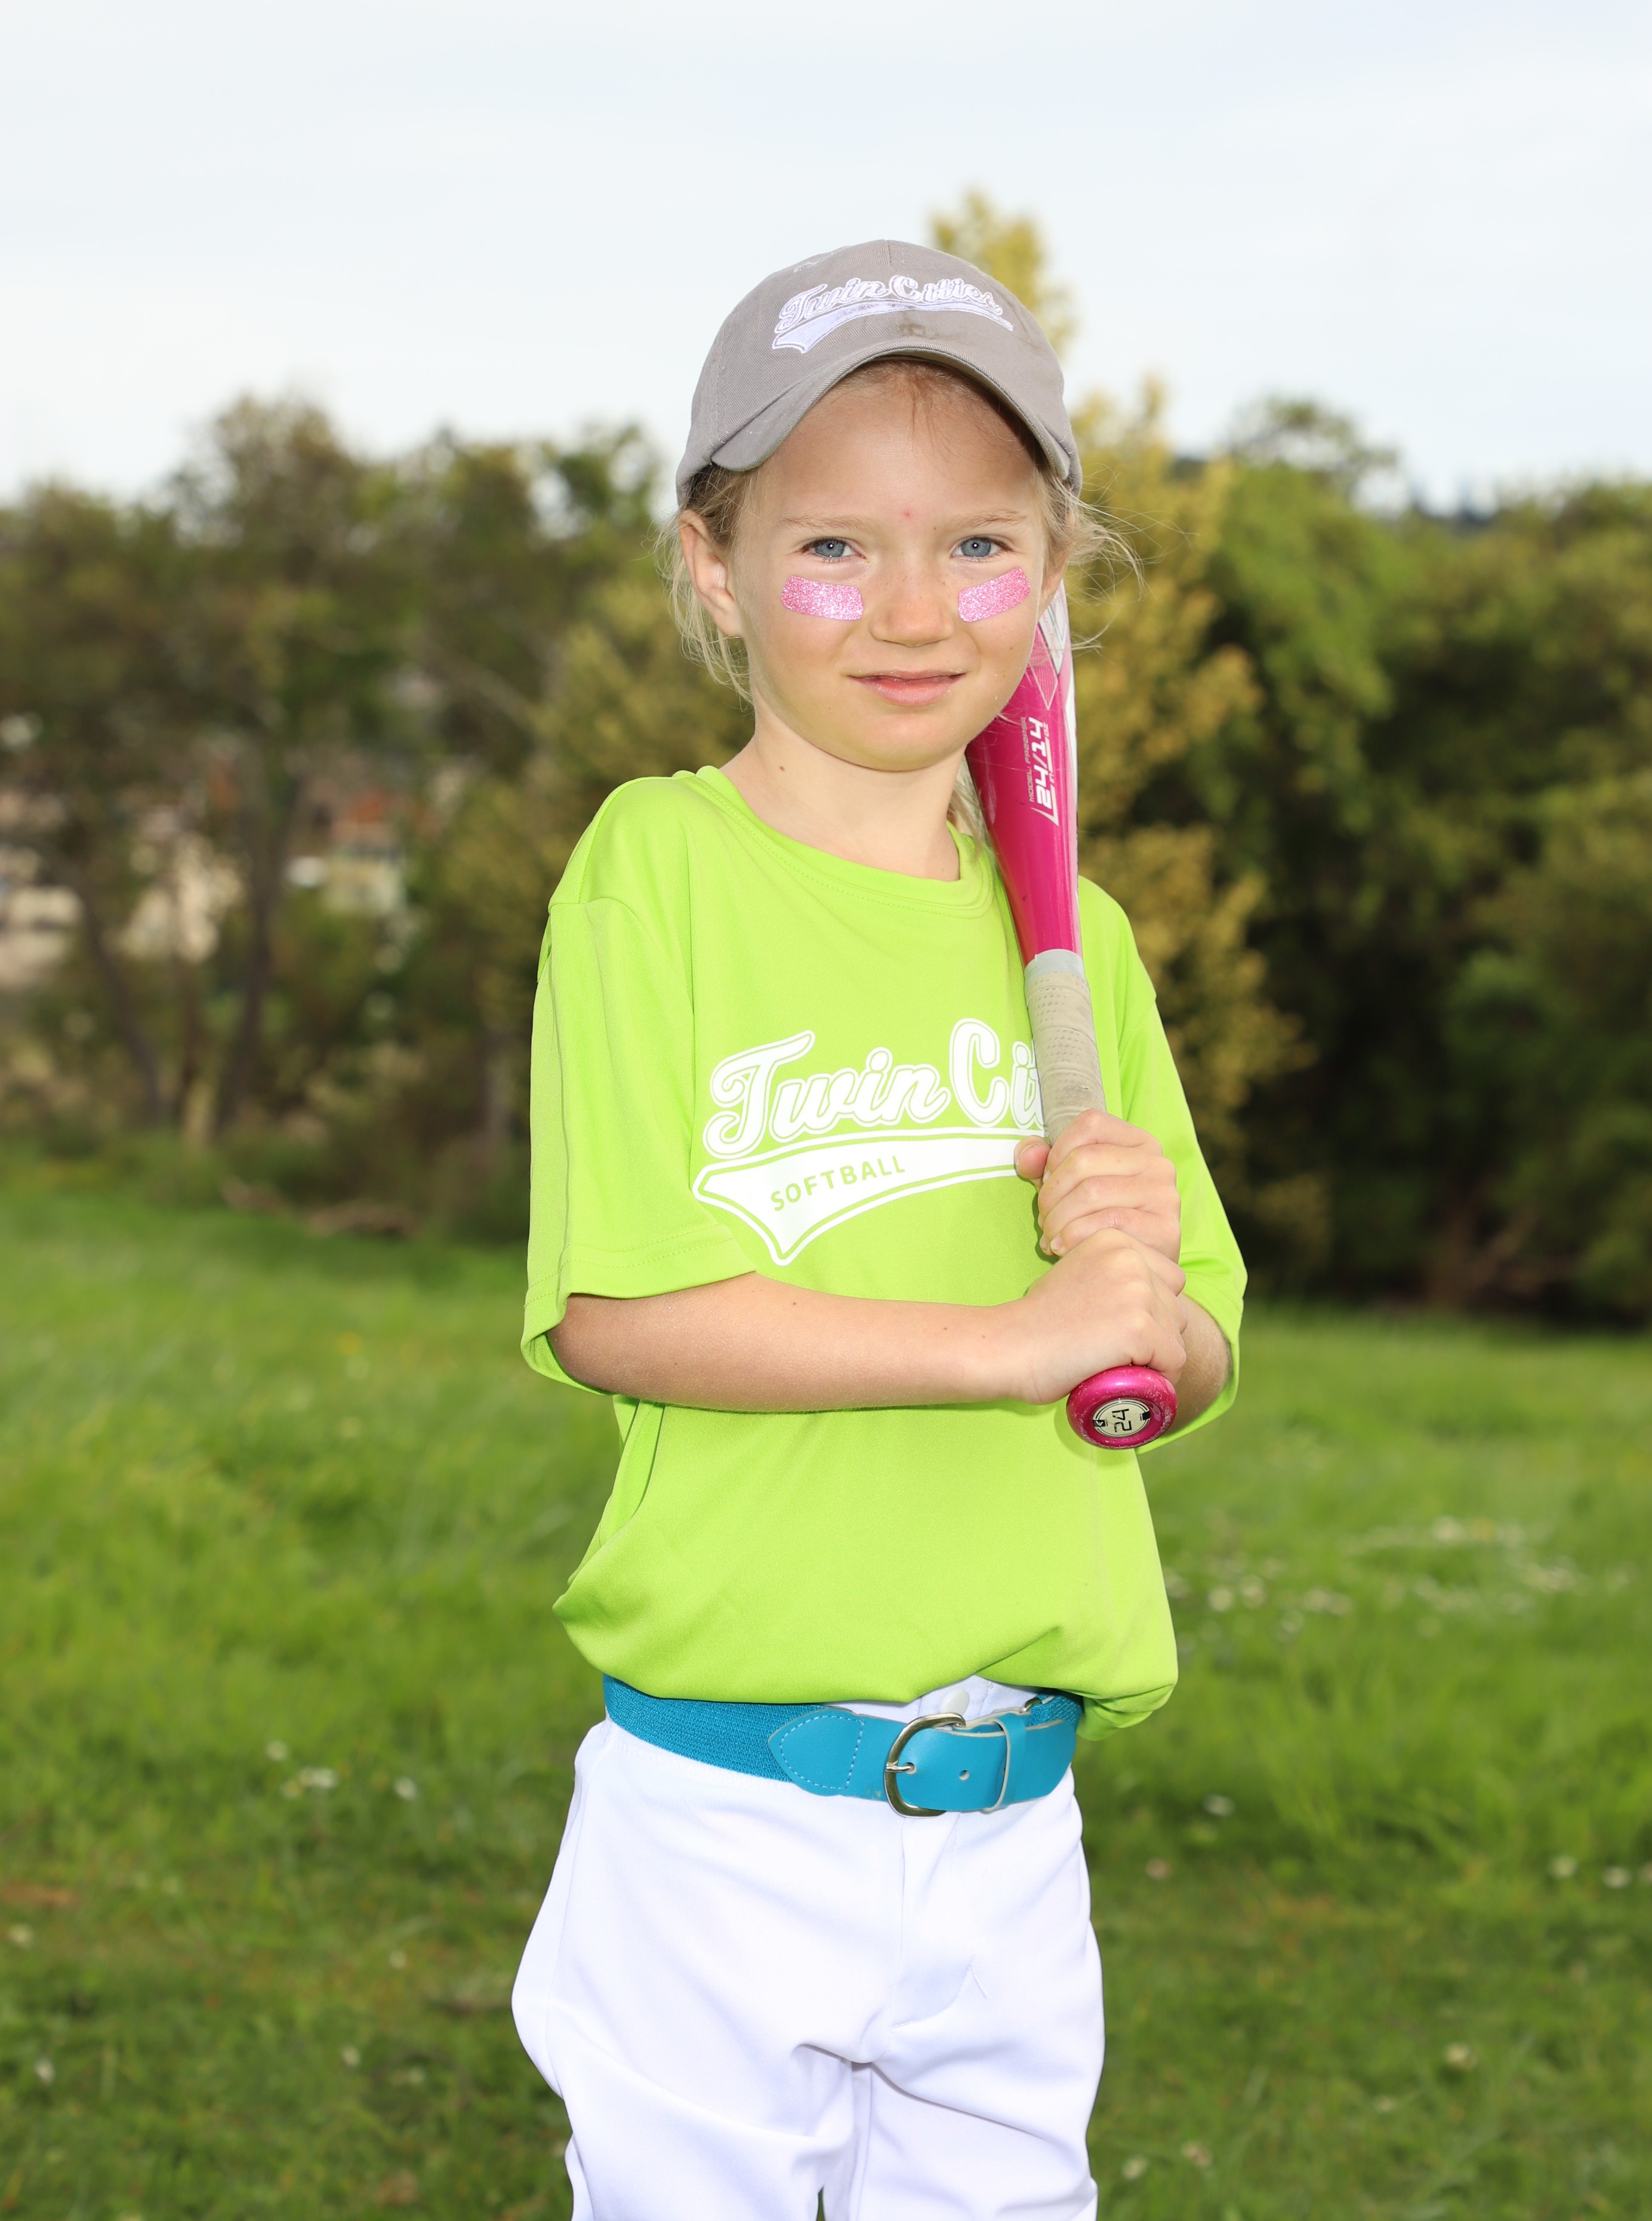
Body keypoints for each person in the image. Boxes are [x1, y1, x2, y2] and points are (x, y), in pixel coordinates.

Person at [511, 240, 1245, 2220]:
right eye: (836, 548)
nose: (915, 611)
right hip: (727, 1810)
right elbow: (622, 1312)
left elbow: (1182, 1359)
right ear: (714, 567)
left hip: (1014, 1821)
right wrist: (1012, 1342)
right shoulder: (658, 871)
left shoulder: (1081, 946)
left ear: (1054, 573)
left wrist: (1145, 1307)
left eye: (979, 548)